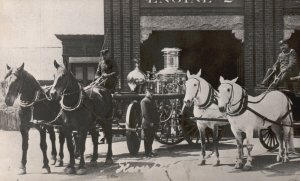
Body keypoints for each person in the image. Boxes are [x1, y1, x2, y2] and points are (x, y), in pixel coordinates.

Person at [140, 88, 159, 157]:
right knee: (147, 138)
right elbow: (145, 114)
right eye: (149, 92)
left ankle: (150, 151)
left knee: (151, 138)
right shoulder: (144, 101)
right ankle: (147, 153)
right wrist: (150, 122)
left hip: (152, 123)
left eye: (152, 92)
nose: (151, 93)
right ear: (146, 92)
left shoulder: (151, 100)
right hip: (147, 124)